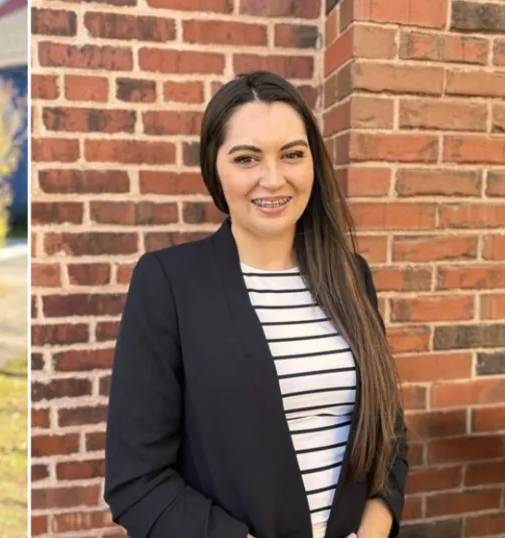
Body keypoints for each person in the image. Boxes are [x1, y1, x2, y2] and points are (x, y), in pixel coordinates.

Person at [102, 71, 408, 538]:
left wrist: (373, 530)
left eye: (292, 154)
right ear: (215, 170)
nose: (273, 178)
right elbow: (137, 481)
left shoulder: (351, 277)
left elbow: (389, 435)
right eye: (247, 158)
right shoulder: (169, 284)